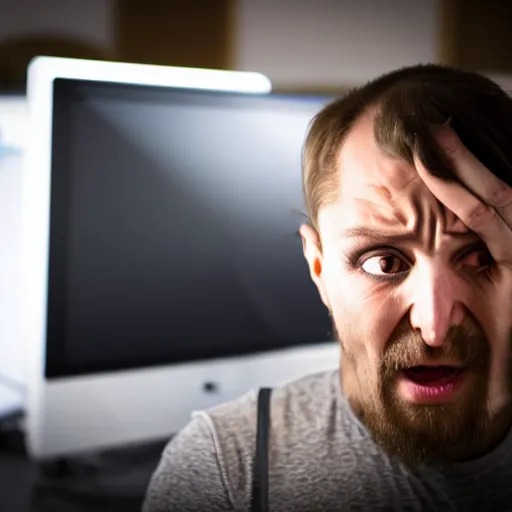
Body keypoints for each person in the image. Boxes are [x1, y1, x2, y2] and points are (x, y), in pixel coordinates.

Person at [142, 64, 512, 511]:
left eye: (482, 257)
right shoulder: (226, 473)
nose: (433, 326)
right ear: (319, 269)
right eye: (384, 262)